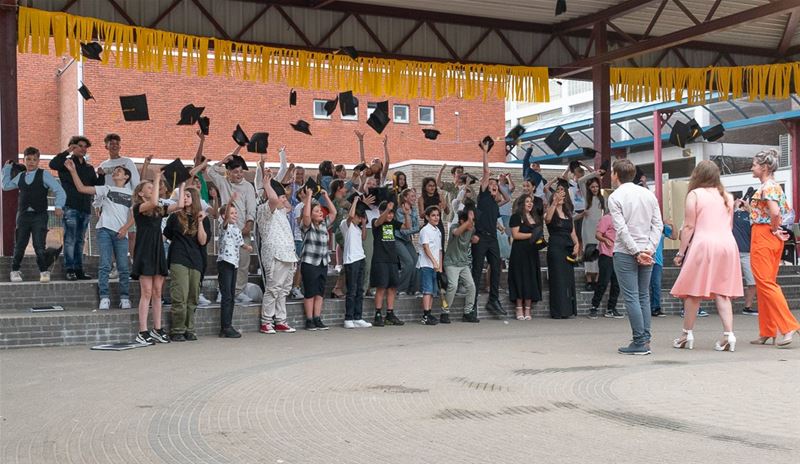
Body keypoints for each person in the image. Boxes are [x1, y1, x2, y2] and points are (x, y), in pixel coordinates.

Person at [671, 161, 742, 352]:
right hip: (728, 245)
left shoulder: (695, 194)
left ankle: (687, 334)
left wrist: (681, 252)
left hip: (704, 244)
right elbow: (728, 225)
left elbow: (689, 226)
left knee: (693, 292)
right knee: (723, 291)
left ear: (697, 175)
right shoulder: (727, 196)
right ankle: (729, 335)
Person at [608, 159, 662, 355]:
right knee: (643, 296)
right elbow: (658, 225)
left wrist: (635, 251)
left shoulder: (615, 197)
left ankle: (639, 341)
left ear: (616, 175)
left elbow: (621, 229)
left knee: (631, 297)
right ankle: (645, 339)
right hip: (647, 251)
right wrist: (648, 249)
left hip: (625, 252)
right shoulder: (649, 195)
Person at [64, 159, 133, 310]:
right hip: (104, 230)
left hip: (122, 233)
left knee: (123, 266)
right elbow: (82, 188)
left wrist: (125, 228)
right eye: (115, 171)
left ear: (126, 177)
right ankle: (104, 297)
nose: (116, 172)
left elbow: (134, 215)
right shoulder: (106, 189)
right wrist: (73, 171)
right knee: (105, 264)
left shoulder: (131, 193)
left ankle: (125, 297)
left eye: (120, 171)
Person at [747, 149, 800, 347]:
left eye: (754, 164)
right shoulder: (774, 186)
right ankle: (768, 330)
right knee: (765, 284)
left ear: (765, 167)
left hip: (763, 235)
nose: (752, 168)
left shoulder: (767, 186)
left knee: (766, 284)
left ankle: (788, 326)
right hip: (771, 236)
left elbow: (775, 212)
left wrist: (774, 228)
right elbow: (774, 211)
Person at [3, 147, 66, 283]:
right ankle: (15, 270)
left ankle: (44, 271)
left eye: (34, 160)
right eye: (28, 159)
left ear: (38, 161)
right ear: (24, 160)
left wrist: (59, 206)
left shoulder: (44, 174)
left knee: (39, 244)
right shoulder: (20, 176)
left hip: (39, 215)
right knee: (20, 244)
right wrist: (6, 169)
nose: (31, 162)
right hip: (23, 215)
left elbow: (59, 190)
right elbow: (6, 186)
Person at [131, 176, 181, 345]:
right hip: (144, 251)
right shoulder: (138, 207)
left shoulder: (158, 209)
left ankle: (157, 329)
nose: (153, 189)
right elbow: (152, 202)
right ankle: (142, 331)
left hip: (157, 250)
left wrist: (182, 185)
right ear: (140, 193)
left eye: (154, 187)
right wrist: (157, 176)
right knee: (146, 292)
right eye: (149, 188)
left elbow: (179, 205)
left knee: (158, 292)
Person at [206, 149, 257, 303]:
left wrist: (249, 224)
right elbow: (210, 171)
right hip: (227, 230)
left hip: (244, 230)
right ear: (228, 172)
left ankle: (237, 291)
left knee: (243, 262)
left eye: (241, 172)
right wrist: (222, 161)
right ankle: (223, 290)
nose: (239, 174)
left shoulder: (248, 186)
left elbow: (251, 208)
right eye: (235, 172)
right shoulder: (223, 182)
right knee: (226, 263)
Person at [50, 136, 104, 281]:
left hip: (85, 208)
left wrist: (101, 176)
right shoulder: (66, 163)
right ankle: (70, 269)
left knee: (80, 240)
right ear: (73, 147)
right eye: (79, 146)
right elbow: (52, 164)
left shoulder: (88, 168)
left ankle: (79, 269)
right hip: (70, 206)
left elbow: (96, 186)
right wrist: (67, 151)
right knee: (70, 239)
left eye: (85, 146)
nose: (83, 149)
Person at [164, 187, 211, 342]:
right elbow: (166, 236)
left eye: (188, 195)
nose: (184, 198)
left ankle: (189, 328)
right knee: (180, 294)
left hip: (196, 260)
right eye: (182, 196)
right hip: (178, 258)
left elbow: (203, 241)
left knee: (193, 296)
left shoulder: (203, 218)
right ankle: (177, 329)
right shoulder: (175, 217)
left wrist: (200, 222)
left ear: (195, 198)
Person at [256, 173, 298, 335]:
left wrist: (282, 193)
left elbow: (288, 206)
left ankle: (280, 320)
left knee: (283, 290)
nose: (283, 200)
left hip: (288, 254)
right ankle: (266, 321)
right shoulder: (264, 210)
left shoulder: (282, 213)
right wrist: (267, 185)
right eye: (280, 196)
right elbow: (273, 201)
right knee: (273, 289)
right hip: (275, 254)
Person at [469, 140, 506, 320]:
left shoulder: (495, 202)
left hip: (492, 239)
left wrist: (499, 185)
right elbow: (486, 171)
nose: (492, 184)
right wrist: (485, 152)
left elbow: (507, 197)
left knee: (497, 267)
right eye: (490, 183)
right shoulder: (483, 196)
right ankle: (472, 305)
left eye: (494, 184)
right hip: (480, 237)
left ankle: (493, 300)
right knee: (477, 271)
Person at [299, 187, 337, 331]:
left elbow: (334, 213)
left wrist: (326, 197)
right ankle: (309, 320)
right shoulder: (307, 226)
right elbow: (307, 216)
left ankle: (317, 317)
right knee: (310, 292)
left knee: (320, 292)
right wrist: (309, 197)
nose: (320, 213)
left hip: (322, 262)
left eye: (320, 211)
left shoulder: (323, 225)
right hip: (310, 263)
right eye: (317, 211)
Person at [545, 181, 580, 319]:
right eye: (558, 194)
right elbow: (547, 220)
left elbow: (572, 232)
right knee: (557, 278)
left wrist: (577, 245)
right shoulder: (551, 209)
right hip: (555, 247)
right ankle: (558, 311)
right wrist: (554, 203)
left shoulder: (568, 212)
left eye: (563, 195)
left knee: (568, 279)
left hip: (567, 247)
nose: (561, 197)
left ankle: (569, 309)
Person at [217, 197, 250, 338]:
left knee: (231, 295)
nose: (235, 215)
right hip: (225, 262)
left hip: (234, 263)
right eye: (231, 213)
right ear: (224, 216)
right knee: (227, 295)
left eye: (236, 213)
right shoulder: (223, 226)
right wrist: (230, 201)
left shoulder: (236, 229)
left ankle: (228, 325)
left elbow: (239, 242)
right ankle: (225, 326)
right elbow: (224, 222)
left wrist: (246, 246)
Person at [370, 200, 405, 327]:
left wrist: (406, 213)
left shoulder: (393, 223)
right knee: (381, 286)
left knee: (393, 286)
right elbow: (379, 221)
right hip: (380, 259)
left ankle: (390, 313)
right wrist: (386, 210)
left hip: (392, 259)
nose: (390, 216)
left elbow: (407, 226)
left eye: (392, 213)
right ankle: (378, 314)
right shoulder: (376, 222)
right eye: (388, 213)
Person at [508, 194, 543, 321]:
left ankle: (528, 308)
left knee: (530, 278)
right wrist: (531, 235)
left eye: (531, 202)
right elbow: (515, 235)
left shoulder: (535, 217)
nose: (530, 204)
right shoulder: (516, 217)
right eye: (527, 201)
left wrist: (538, 238)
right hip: (519, 251)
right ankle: (518, 307)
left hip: (532, 251)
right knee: (519, 277)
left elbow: (538, 233)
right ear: (522, 203)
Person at [340, 196, 372, 328]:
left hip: (360, 258)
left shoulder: (358, 229)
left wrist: (364, 224)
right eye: (359, 217)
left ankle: (358, 316)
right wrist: (355, 201)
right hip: (351, 260)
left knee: (360, 289)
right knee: (352, 290)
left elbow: (364, 237)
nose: (359, 219)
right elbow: (351, 215)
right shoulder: (345, 225)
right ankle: (349, 317)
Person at [444, 209, 477, 323]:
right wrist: (469, 221)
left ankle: (468, 312)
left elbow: (472, 237)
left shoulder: (471, 229)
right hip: (451, 262)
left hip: (463, 263)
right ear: (462, 221)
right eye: (469, 222)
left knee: (471, 286)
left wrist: (474, 239)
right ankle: (445, 312)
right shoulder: (454, 226)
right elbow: (457, 233)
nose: (472, 224)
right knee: (453, 286)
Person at [588, 210, 621, 319]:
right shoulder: (606, 218)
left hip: (619, 255)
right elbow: (598, 235)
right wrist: (605, 240)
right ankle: (594, 307)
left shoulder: (623, 219)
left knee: (617, 284)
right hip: (606, 254)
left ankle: (611, 309)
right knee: (603, 282)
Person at [418, 206, 443, 325]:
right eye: (433, 215)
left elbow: (439, 250)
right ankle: (425, 315)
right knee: (427, 290)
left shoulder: (438, 231)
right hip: (426, 265)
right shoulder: (425, 230)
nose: (436, 217)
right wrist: (434, 262)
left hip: (436, 266)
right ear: (427, 217)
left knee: (433, 291)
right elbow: (426, 247)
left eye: (437, 215)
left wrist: (440, 265)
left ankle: (429, 312)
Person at [732, 197, 758, 316]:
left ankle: (747, 307)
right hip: (732, 252)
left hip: (748, 252)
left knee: (752, 281)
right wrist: (734, 206)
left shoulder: (752, 216)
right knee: (728, 280)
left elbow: (759, 220)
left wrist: (749, 209)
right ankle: (726, 306)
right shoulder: (732, 214)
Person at [395, 188, 420, 296]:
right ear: (405, 197)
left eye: (415, 196)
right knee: (408, 262)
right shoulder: (399, 211)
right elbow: (404, 231)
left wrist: (416, 228)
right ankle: (401, 288)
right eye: (412, 196)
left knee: (416, 261)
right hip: (398, 239)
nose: (414, 198)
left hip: (407, 240)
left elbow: (412, 227)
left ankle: (413, 288)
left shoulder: (414, 210)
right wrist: (419, 228)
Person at [581, 177, 604, 290]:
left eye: (596, 186)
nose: (595, 189)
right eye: (592, 187)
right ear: (589, 188)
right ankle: (589, 280)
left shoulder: (602, 198)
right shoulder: (586, 197)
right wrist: (594, 173)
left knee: (598, 251)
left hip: (598, 228)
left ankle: (597, 280)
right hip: (587, 227)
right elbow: (581, 181)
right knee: (588, 251)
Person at [649, 220, 676, 318]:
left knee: (656, 284)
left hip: (657, 261)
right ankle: (645, 308)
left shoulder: (662, 227)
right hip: (645, 259)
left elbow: (674, 237)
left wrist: (672, 224)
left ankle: (656, 308)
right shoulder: (644, 224)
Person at [419, 177, 449, 250]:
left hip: (439, 225)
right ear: (425, 187)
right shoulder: (421, 198)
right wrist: (432, 209)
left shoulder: (439, 196)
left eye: (434, 186)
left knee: (440, 247)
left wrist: (444, 206)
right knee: (429, 248)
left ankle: (440, 261)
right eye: (430, 186)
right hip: (428, 225)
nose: (432, 188)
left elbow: (447, 212)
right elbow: (421, 215)